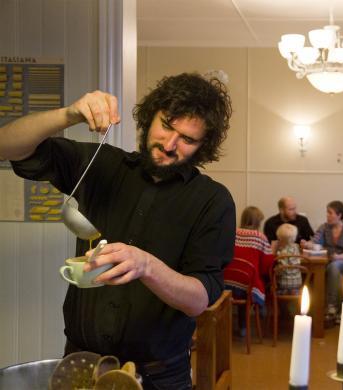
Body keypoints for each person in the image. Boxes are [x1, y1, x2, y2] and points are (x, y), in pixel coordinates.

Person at [0, 73, 235, 389]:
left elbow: (199, 300)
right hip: (80, 367)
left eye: (187, 139)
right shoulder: (101, 166)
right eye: (166, 125)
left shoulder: (212, 201)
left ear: (203, 146)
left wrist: (146, 266)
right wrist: (69, 114)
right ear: (150, 116)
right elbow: (7, 146)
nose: (169, 145)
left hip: (159, 378)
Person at [306, 200, 343, 321]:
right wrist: (308, 244)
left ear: (339, 215)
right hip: (327, 260)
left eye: (330, 213)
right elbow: (315, 240)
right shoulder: (324, 227)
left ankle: (331, 305)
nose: (327, 216)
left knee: (333, 267)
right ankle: (326, 309)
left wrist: (337, 257)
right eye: (327, 213)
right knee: (329, 269)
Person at [225, 206, 274, 306]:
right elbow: (267, 267)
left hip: (224, 281)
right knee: (261, 280)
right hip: (247, 286)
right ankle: (260, 312)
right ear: (257, 222)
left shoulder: (230, 233)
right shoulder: (260, 237)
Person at [274, 223, 302, 295]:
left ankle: (281, 305)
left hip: (284, 285)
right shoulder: (296, 247)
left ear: (280, 239)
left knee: (271, 283)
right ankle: (293, 304)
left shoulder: (282, 254)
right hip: (297, 284)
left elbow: (281, 270)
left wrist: (275, 270)